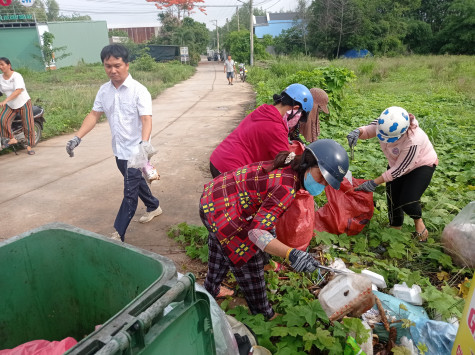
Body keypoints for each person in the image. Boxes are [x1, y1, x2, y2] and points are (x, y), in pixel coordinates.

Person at [200, 139, 349, 319]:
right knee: (249, 260)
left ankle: (210, 288)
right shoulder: (286, 188)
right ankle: (264, 314)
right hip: (223, 209)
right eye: (321, 177)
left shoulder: (289, 165)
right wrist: (291, 254)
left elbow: (265, 208)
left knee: (220, 245)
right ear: (309, 164)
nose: (322, 185)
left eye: (327, 183)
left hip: (213, 199)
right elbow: (256, 233)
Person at [65, 44, 162, 242]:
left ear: (127, 65)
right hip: (119, 150)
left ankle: (118, 234)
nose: (113, 70)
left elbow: (146, 119)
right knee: (134, 184)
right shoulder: (104, 91)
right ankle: (153, 206)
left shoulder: (139, 91)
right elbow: (94, 115)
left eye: (117, 65)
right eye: (108, 66)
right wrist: (77, 137)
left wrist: (144, 144)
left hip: (137, 151)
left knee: (129, 192)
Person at [347, 106, 438, 241]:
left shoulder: (413, 140)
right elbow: (369, 130)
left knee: (408, 200)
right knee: (392, 197)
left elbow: (400, 169)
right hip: (397, 163)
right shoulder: (384, 123)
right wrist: (358, 131)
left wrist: (373, 183)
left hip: (421, 165)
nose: (383, 139)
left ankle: (418, 222)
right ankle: (395, 228)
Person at [209, 83, 313, 179]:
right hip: (229, 169)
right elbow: (285, 164)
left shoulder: (264, 111)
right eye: (300, 117)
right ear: (295, 109)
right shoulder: (276, 127)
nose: (297, 121)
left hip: (219, 158)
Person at [0, 57, 35, 155]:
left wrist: (5, 100)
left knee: (28, 125)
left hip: (23, 102)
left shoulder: (16, 76)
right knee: (2, 119)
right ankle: (12, 139)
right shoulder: (0, 78)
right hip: (11, 104)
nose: (0, 67)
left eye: (2, 64)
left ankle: (29, 146)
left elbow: (18, 91)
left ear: (9, 65)